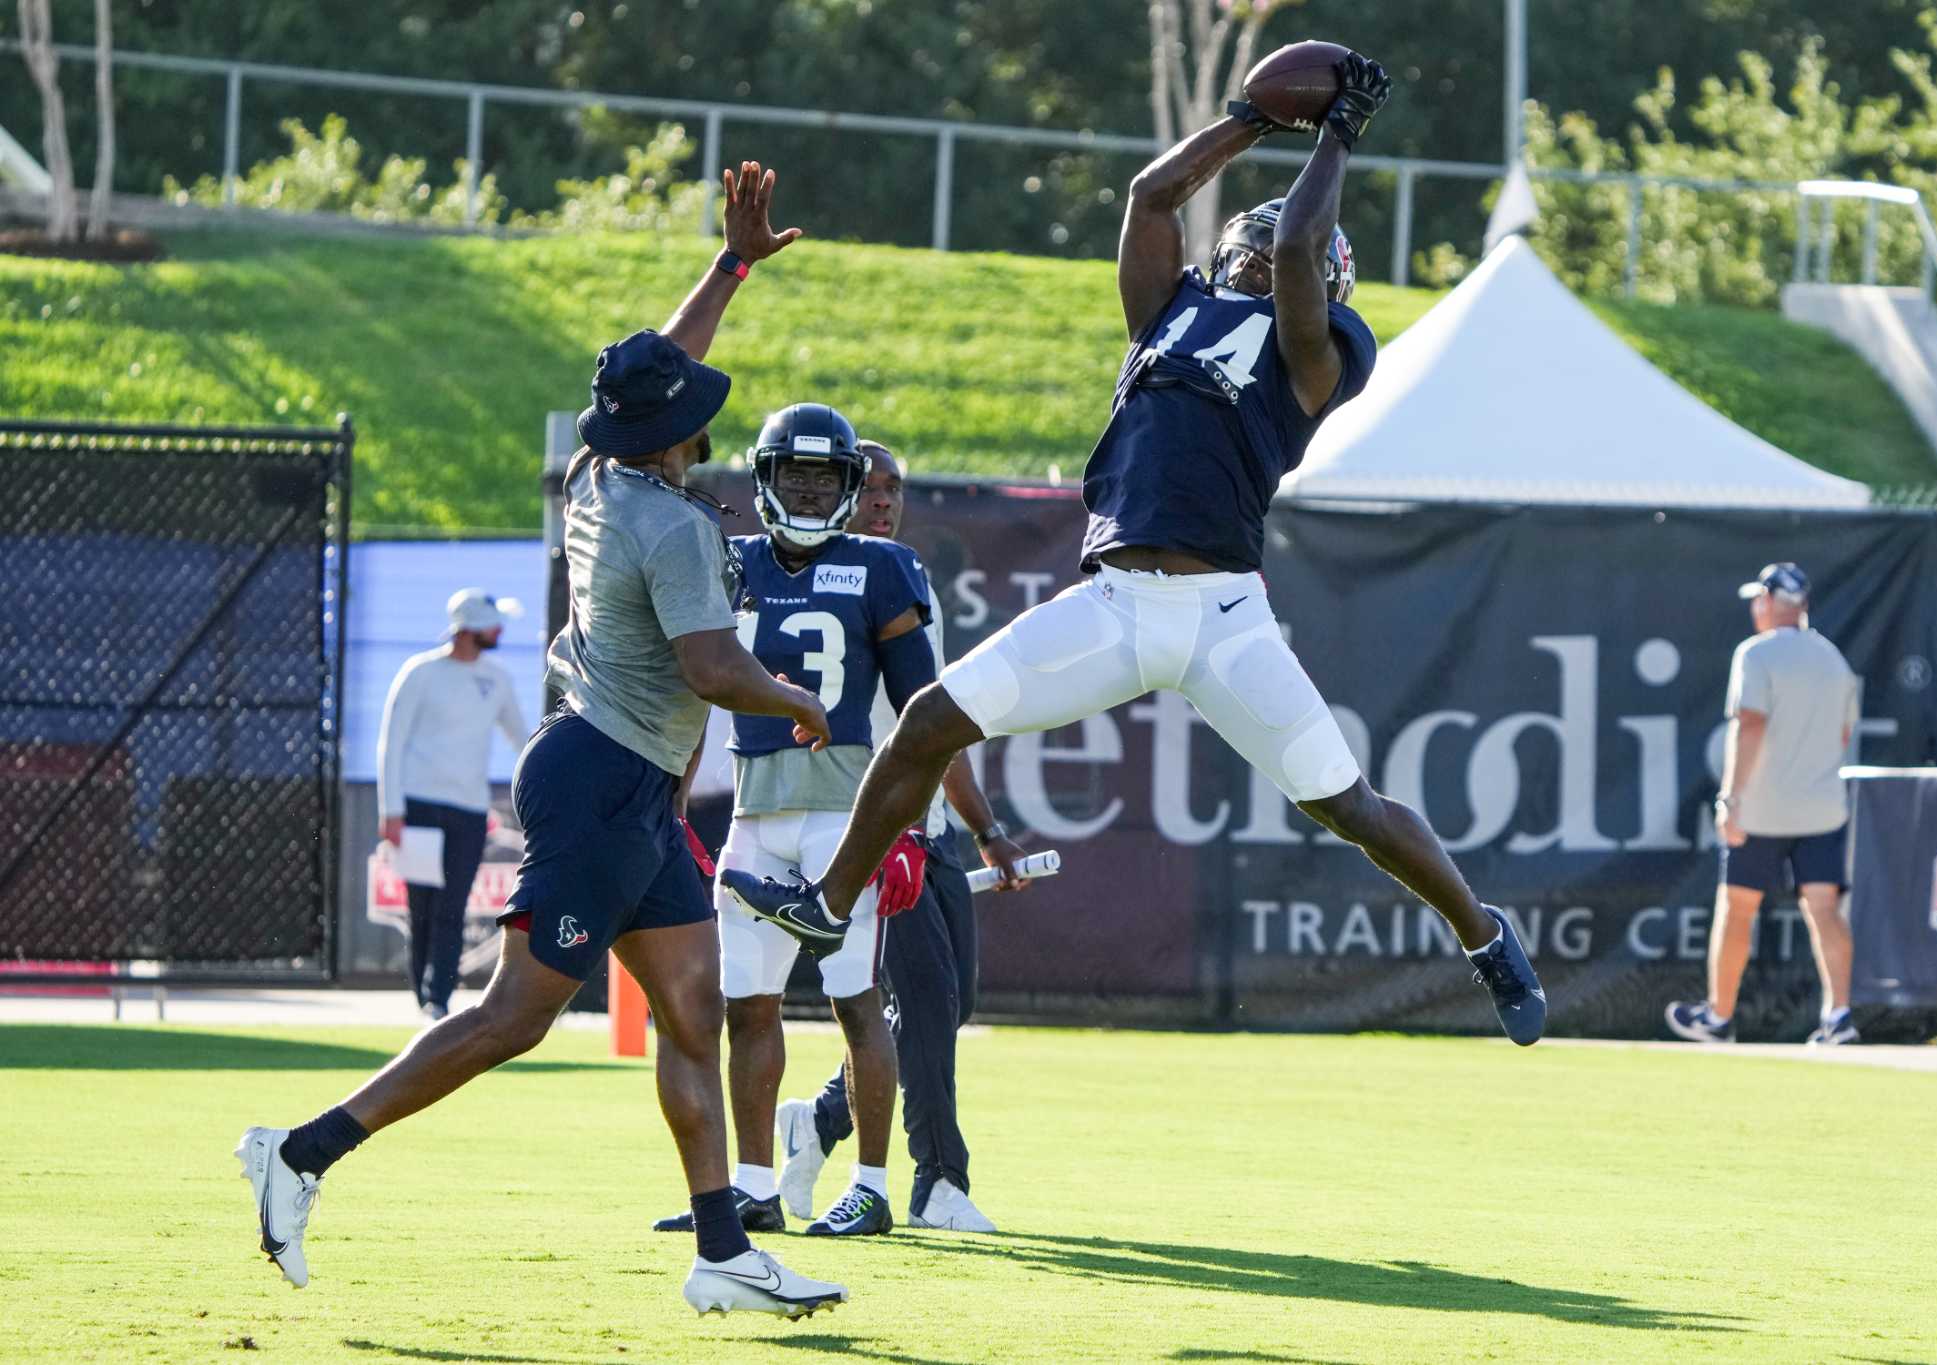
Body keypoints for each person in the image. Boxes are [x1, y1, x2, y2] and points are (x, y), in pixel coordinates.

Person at [721, 53, 1547, 1047]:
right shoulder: (1166, 314)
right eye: (1242, 248)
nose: (1259, 257)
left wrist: (1334, 137)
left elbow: (1293, 246)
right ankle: (830, 899)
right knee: (929, 720)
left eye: (1288, 257)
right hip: (1115, 603)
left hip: (1222, 616)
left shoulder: (1321, 345)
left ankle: (1482, 935)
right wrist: (1247, 117)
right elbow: (1150, 192)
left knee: (1351, 808)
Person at [236, 162, 849, 1320]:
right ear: (688, 430)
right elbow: (711, 672)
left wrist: (729, 268)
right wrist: (801, 704)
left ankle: (721, 1252)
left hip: (627, 788)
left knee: (690, 1012)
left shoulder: (595, 467)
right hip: (604, 779)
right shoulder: (667, 523)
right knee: (510, 1019)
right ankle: (301, 1153)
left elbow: (652, 371)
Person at [653, 440, 1027, 1239]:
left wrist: (900, 828)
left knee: (858, 1001)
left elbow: (929, 716)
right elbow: (696, 693)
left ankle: (870, 1185)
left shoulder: (883, 568)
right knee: (746, 1005)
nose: (813, 492)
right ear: (765, 480)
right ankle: (753, 1186)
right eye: (797, 476)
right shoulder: (734, 562)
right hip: (755, 812)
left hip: (844, 818)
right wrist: (672, 809)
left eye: (828, 479)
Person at [1665, 563, 1860, 1046]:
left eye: (1759, 598)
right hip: (1822, 811)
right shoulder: (1833, 659)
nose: (1755, 607)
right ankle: (1839, 1017)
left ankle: (1719, 1017)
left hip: (1762, 812)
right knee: (1825, 909)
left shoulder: (1755, 654)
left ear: (1773, 602)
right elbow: (1843, 735)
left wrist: (1731, 798)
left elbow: (1748, 725)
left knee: (1737, 909)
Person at [377, 588, 528, 1020]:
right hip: (419, 806)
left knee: (452, 905)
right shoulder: (419, 672)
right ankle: (422, 993)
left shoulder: (497, 677)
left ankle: (437, 998)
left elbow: (521, 736)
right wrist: (391, 811)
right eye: (491, 623)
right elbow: (392, 743)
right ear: (467, 628)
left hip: (468, 810)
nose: (499, 630)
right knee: (421, 906)